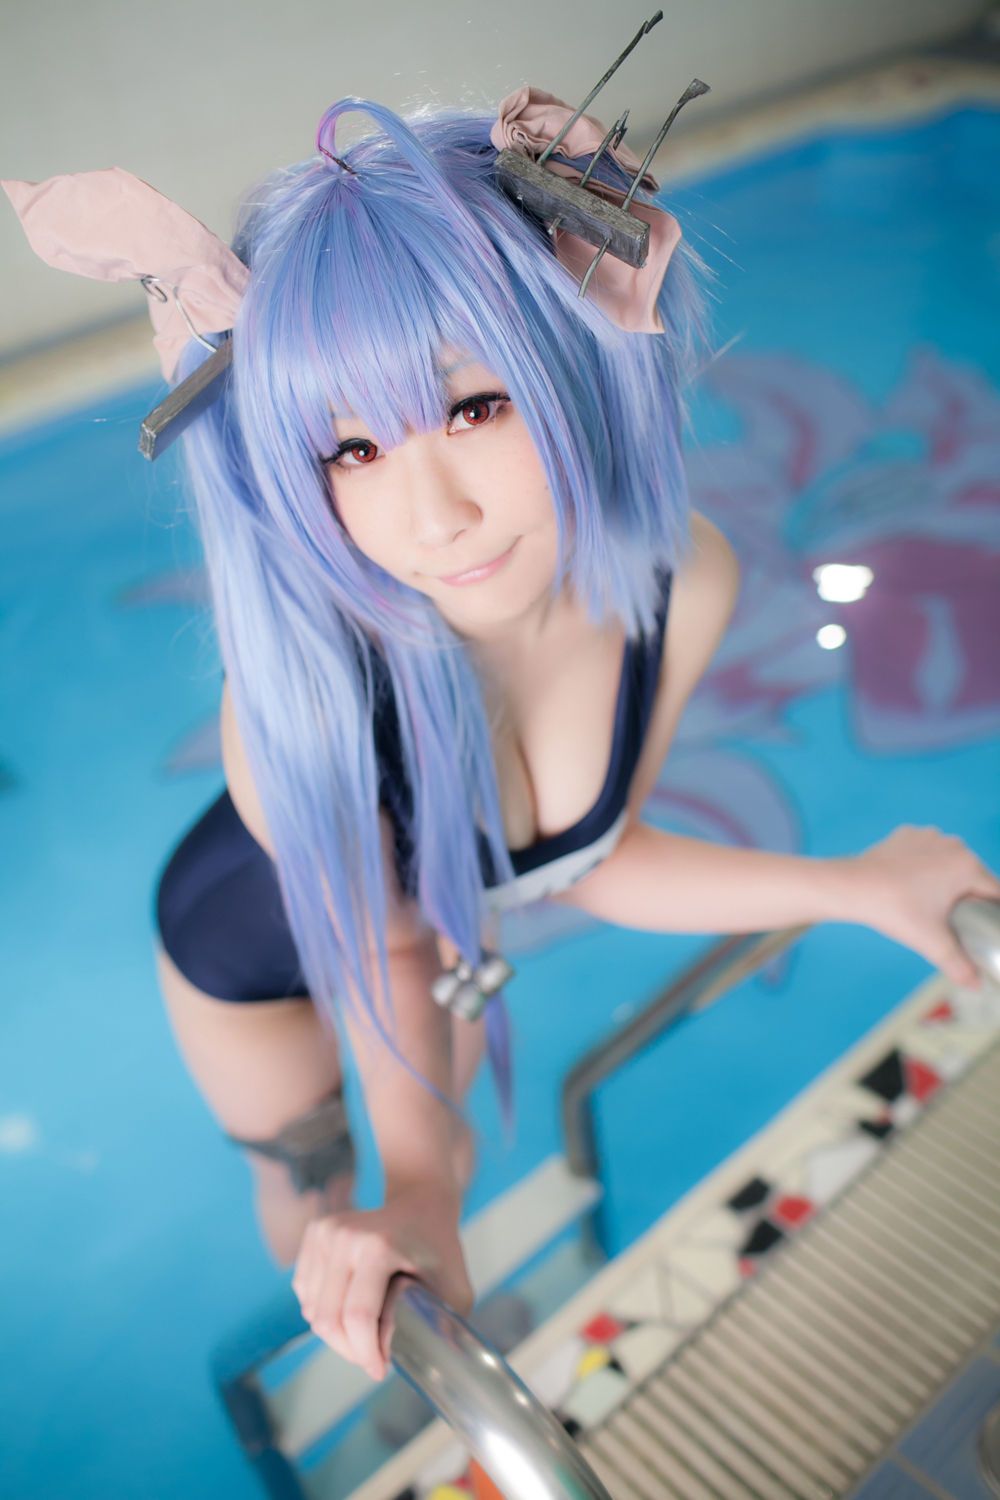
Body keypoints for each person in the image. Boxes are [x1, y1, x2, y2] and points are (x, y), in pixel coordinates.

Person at [6, 92, 1000, 1389]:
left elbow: (597, 857)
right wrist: (415, 1190)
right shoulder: (305, 692)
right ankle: (334, 1354)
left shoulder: (679, 580)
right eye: (351, 448)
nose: (433, 518)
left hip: (437, 944)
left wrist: (856, 888)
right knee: (314, 1187)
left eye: (473, 407)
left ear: (579, 356)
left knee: (435, 1166)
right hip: (249, 950)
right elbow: (391, 946)